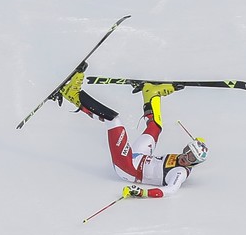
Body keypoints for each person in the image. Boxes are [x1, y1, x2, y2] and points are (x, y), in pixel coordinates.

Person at [58, 63, 208, 199]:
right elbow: (197, 146)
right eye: (188, 151)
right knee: (155, 128)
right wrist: (199, 143)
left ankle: (73, 95)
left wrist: (142, 192)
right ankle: (151, 93)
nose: (185, 158)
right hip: (140, 156)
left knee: (113, 120)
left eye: (191, 159)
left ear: (194, 164)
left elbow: (169, 191)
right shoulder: (184, 158)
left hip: (128, 166)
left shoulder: (180, 173)